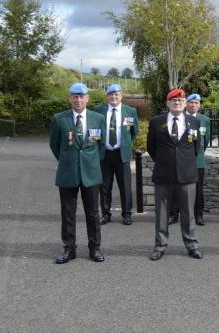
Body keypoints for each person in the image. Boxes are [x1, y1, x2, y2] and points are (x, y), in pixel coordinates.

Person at [49, 83, 106, 264]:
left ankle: (95, 248)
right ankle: (69, 249)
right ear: (70, 98)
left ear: (87, 98)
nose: (78, 100)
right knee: (68, 213)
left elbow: (102, 146)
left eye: (82, 96)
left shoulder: (98, 118)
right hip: (68, 173)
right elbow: (55, 145)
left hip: (91, 173)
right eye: (75, 96)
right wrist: (68, 160)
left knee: (93, 213)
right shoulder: (60, 119)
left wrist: (91, 161)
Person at [147, 88, 203, 260]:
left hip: (187, 175)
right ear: (167, 103)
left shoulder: (194, 122)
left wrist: (182, 162)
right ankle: (160, 245)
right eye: (173, 100)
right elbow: (151, 148)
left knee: (188, 213)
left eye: (180, 100)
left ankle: (192, 245)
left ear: (185, 103)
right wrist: (167, 162)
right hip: (164, 175)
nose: (177, 103)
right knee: (162, 213)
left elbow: (195, 148)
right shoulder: (156, 122)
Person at [95, 83, 139, 226]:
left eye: (116, 94)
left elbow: (133, 132)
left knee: (125, 186)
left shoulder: (130, 111)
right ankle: (106, 214)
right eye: (111, 94)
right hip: (104, 154)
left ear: (121, 96)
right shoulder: (98, 110)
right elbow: (94, 132)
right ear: (107, 96)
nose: (114, 97)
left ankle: (127, 214)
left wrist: (125, 144)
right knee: (104, 186)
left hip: (122, 154)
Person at [180, 93, 211, 226]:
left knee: (198, 188)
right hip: (181, 159)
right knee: (178, 187)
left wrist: (198, 153)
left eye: (196, 103)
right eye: (191, 102)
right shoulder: (180, 117)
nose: (194, 105)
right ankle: (174, 213)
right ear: (186, 103)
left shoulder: (204, 119)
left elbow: (206, 138)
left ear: (199, 105)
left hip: (197, 159)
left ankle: (199, 214)